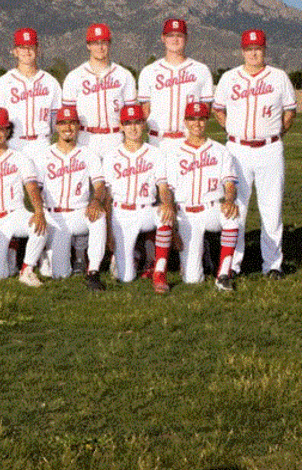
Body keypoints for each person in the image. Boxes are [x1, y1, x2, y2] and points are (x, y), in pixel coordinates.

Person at [212, 29, 296, 279]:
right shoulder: (229, 77)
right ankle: (233, 265)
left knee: (272, 209)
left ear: (264, 49)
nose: (253, 53)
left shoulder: (279, 77)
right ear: (242, 51)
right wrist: (233, 131)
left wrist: (274, 134)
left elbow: (289, 113)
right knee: (236, 207)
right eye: (249, 49)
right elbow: (218, 111)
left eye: (257, 48)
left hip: (270, 148)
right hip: (237, 149)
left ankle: (272, 265)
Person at [166, 102, 241, 290]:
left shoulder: (220, 150)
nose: (197, 124)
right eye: (192, 119)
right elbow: (168, 191)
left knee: (232, 215)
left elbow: (230, 183)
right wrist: (173, 227)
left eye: (201, 119)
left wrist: (230, 200)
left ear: (206, 121)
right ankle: (203, 249)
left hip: (212, 208)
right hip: (187, 214)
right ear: (185, 121)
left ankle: (223, 274)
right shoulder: (174, 153)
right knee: (192, 279)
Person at [0, 107, 48, 285]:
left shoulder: (21, 158)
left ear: (8, 130)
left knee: (41, 227)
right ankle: (11, 248)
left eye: (2, 128)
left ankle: (27, 270)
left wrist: (39, 211)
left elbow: (32, 187)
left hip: (15, 214)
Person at [33, 106, 108, 291]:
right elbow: (35, 188)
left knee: (99, 216)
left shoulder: (88, 153)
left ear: (78, 127)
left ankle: (93, 271)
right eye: (63, 123)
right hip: (55, 216)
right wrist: (38, 211)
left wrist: (96, 201)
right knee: (60, 274)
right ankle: (50, 256)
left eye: (72, 123)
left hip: (80, 212)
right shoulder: (44, 155)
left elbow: (99, 186)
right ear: (56, 126)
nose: (68, 127)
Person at [103, 104, 174, 293]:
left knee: (164, 214)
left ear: (144, 125)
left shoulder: (155, 153)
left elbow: (163, 187)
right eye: (129, 123)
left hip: (146, 209)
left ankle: (159, 272)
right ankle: (139, 254)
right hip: (121, 213)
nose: (133, 128)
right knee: (125, 278)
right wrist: (109, 231)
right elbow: (108, 198)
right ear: (121, 126)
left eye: (138, 122)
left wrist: (167, 203)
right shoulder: (111, 156)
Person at [138, 19, 214, 153]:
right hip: (158, 140)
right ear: (163, 38)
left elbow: (205, 110)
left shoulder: (201, 70)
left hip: (189, 139)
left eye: (179, 35)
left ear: (186, 38)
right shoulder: (149, 71)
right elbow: (145, 110)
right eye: (170, 35)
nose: (175, 39)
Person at [62, 23, 137, 158]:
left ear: (109, 44)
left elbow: (132, 113)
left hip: (116, 137)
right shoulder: (74, 76)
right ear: (88, 46)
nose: (100, 47)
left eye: (104, 42)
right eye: (95, 43)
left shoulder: (123, 75)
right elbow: (68, 116)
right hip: (86, 138)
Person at [0, 27, 62, 160]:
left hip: (42, 144)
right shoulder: (2, 83)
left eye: (31, 47)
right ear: (15, 51)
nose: (27, 51)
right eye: (22, 47)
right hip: (13, 144)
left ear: (38, 50)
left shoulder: (51, 82)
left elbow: (56, 120)